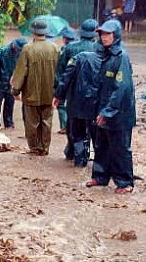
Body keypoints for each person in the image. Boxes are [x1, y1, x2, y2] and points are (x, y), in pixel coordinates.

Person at [87, 19, 135, 193]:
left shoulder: (121, 56)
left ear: (116, 35)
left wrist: (108, 111)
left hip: (119, 113)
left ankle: (125, 183)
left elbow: (121, 88)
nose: (104, 37)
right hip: (104, 109)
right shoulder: (106, 55)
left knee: (120, 148)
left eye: (108, 34)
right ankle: (100, 177)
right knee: (102, 145)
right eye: (102, 34)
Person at [54, 30, 103, 169]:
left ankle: (79, 161)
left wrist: (58, 94)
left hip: (76, 101)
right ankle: (98, 166)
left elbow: (64, 76)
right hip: (96, 104)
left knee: (77, 132)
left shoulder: (76, 54)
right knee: (96, 135)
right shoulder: (107, 60)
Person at [10, 18, 60, 155]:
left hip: (31, 93)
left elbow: (21, 72)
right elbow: (59, 73)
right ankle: (45, 148)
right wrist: (58, 92)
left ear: (33, 32)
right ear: (46, 32)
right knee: (47, 122)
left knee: (32, 123)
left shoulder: (27, 49)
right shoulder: (55, 48)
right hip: (49, 93)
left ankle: (34, 148)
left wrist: (15, 90)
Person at [0, 36, 27, 129]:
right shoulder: (2, 51)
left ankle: (8, 123)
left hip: (12, 84)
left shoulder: (21, 54)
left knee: (10, 103)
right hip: (0, 81)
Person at [55, 27, 77, 135]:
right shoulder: (79, 46)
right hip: (78, 81)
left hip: (66, 78)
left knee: (61, 103)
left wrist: (58, 83)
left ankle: (64, 125)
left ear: (65, 38)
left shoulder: (66, 49)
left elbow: (60, 67)